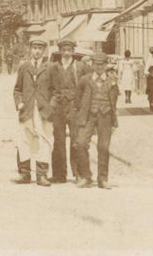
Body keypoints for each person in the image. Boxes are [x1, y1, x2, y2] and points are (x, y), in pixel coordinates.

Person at [11, 36, 55, 187]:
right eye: (34, 48)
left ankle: (42, 175)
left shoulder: (50, 67)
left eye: (40, 49)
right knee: (24, 139)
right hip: (27, 109)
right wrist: (19, 103)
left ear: (44, 51)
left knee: (44, 140)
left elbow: (57, 91)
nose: (37, 51)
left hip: (44, 111)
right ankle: (24, 173)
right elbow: (17, 89)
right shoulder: (24, 67)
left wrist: (51, 106)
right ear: (30, 50)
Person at [72, 51, 119, 189]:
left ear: (106, 65)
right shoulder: (85, 80)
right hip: (88, 116)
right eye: (96, 64)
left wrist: (113, 120)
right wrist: (83, 111)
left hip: (105, 116)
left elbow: (114, 99)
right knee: (80, 143)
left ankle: (103, 179)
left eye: (102, 65)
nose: (99, 67)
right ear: (92, 65)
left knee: (103, 147)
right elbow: (78, 98)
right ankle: (86, 176)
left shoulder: (112, 81)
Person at [49, 40, 86, 184]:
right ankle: (59, 175)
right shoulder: (53, 67)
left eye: (69, 50)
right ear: (59, 51)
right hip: (58, 106)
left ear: (73, 51)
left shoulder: (80, 66)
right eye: (63, 50)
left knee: (76, 140)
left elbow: (87, 85)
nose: (66, 53)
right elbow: (49, 87)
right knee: (58, 140)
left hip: (74, 106)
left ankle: (79, 174)